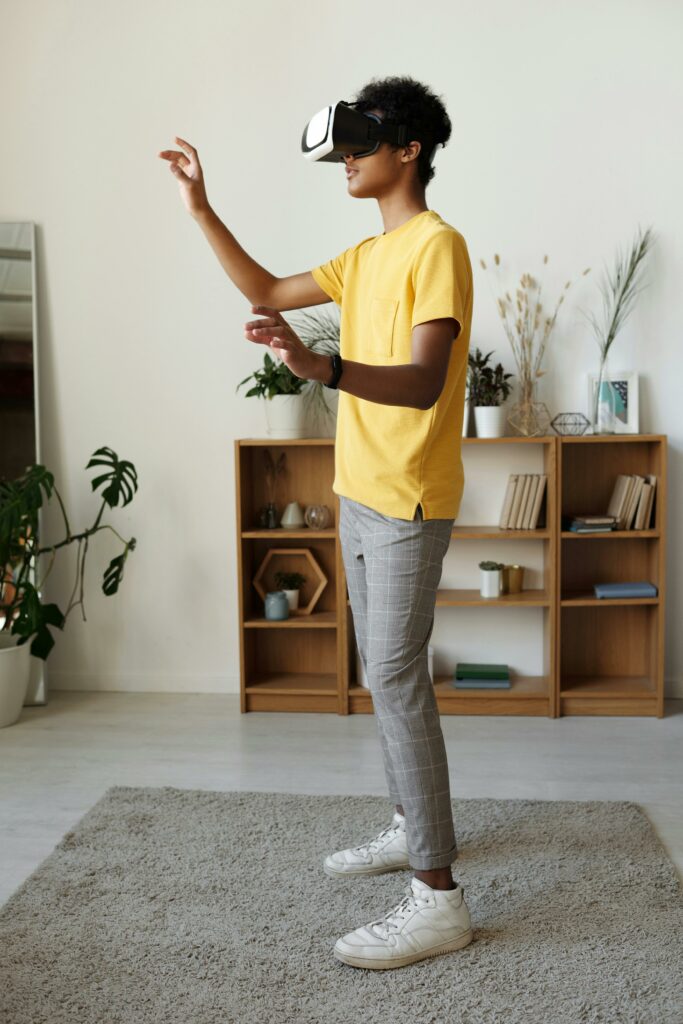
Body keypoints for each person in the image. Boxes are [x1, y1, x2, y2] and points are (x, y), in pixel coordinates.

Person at [158, 73, 474, 970]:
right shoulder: (361, 258)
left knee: (398, 677)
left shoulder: (436, 247)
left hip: (410, 493)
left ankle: (438, 897)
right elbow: (260, 284)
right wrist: (201, 208)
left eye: (359, 143)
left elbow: (421, 383)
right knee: (381, 672)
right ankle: (413, 826)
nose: (343, 158)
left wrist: (321, 368)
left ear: (407, 149)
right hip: (359, 488)